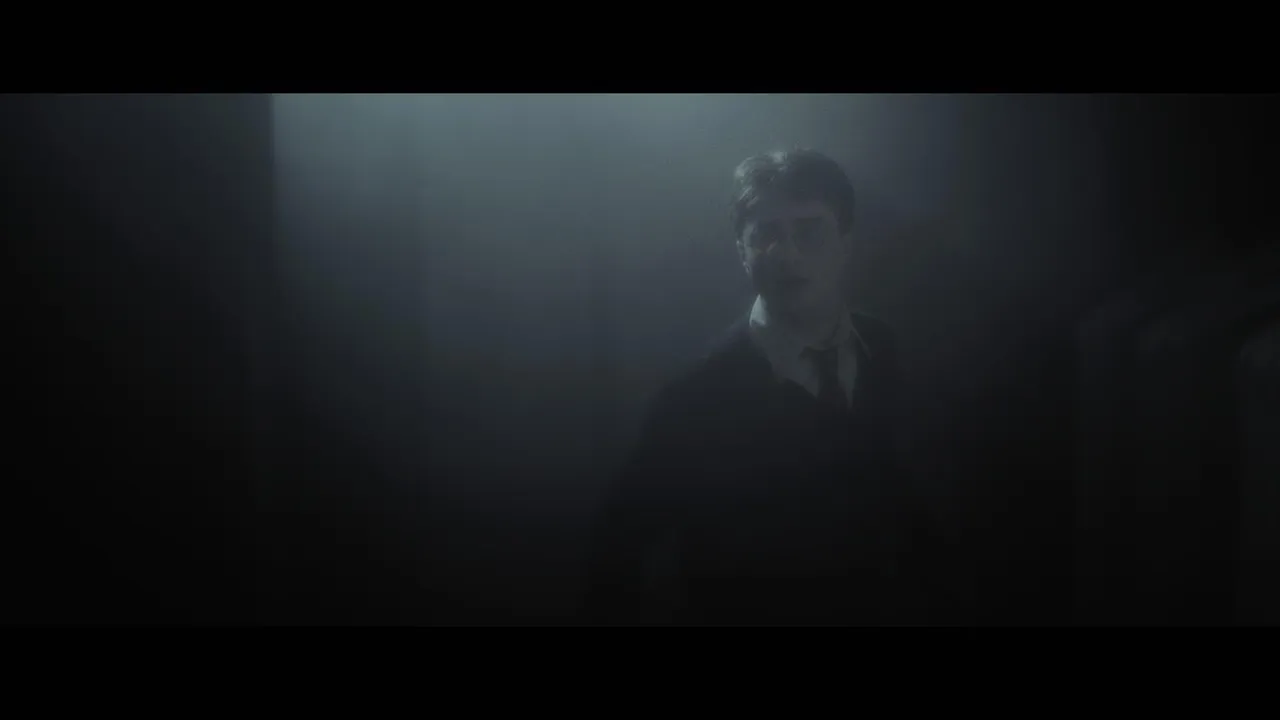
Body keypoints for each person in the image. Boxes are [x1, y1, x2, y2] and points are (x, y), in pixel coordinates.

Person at [583, 148, 949, 625]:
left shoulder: (881, 348)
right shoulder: (694, 400)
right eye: (766, 234)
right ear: (741, 250)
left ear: (846, 242)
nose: (787, 254)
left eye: (810, 231)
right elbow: (616, 552)